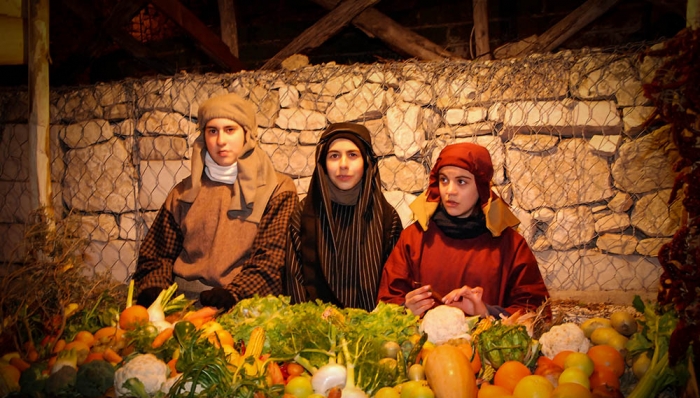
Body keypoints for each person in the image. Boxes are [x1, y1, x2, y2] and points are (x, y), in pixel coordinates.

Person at [133, 93, 298, 311]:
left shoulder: (276, 189)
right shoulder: (185, 192)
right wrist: (155, 291)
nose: (220, 141)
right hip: (182, 303)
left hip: (244, 305)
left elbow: (272, 260)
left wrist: (234, 293)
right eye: (212, 131)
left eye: (230, 130)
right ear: (203, 137)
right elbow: (157, 253)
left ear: (247, 134)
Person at [377, 142, 549, 318]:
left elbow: (535, 310)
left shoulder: (510, 245)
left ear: (481, 187)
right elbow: (387, 301)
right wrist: (405, 310)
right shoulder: (414, 238)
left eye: (461, 182)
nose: (450, 191)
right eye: (444, 180)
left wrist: (486, 312)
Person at [285, 122, 403, 311]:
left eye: (353, 155)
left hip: (372, 332)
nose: (343, 165)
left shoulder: (387, 218)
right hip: (317, 331)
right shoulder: (304, 215)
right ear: (322, 162)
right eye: (334, 156)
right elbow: (294, 282)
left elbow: (394, 285)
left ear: (366, 162)